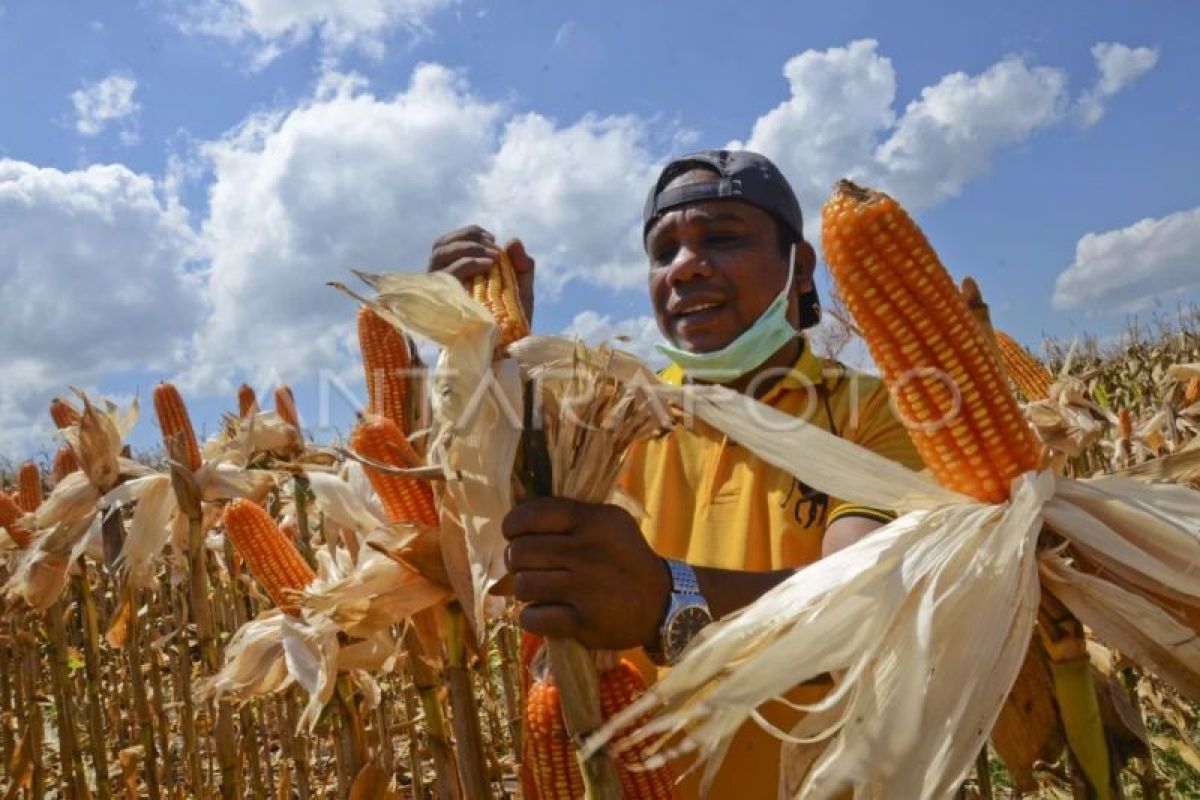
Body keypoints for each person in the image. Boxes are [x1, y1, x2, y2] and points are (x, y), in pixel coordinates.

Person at [427, 149, 924, 797]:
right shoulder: (605, 421)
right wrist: (484, 356)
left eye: (721, 237)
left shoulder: (875, 415)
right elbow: (477, 515)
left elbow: (866, 606)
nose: (685, 266)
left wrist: (669, 599)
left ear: (800, 270)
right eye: (664, 252)